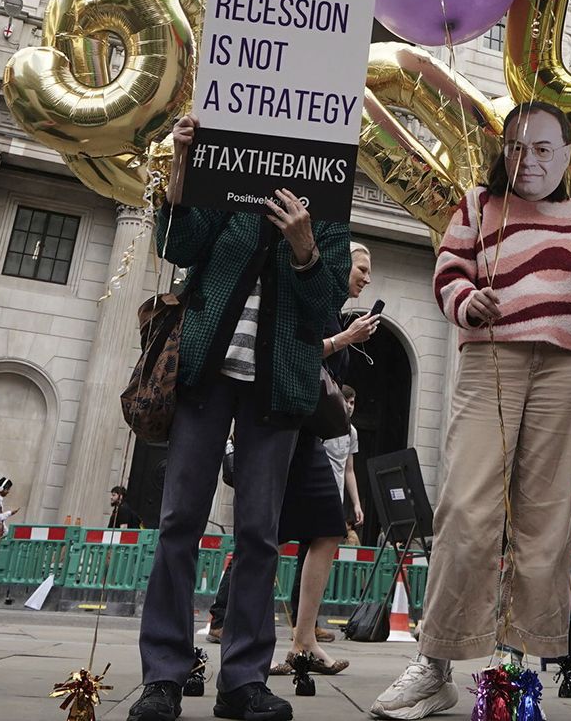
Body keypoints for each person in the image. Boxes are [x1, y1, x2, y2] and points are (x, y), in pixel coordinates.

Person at [371, 102, 571, 720]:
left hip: (565, 369)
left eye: (544, 149)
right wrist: (464, 299)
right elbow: (447, 269)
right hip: (490, 361)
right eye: (517, 147)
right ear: (501, 152)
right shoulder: (478, 205)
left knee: (546, 519)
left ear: (566, 156)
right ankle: (434, 663)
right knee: (467, 508)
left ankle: (514, 666)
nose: (529, 159)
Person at [129, 112, 350, 721]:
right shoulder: (228, 174)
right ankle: (165, 676)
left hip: (276, 385)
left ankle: (244, 679)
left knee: (259, 533)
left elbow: (327, 305)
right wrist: (181, 165)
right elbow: (180, 243)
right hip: (205, 372)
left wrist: (304, 246)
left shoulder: (326, 198)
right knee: (179, 521)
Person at [268, 247, 378, 676]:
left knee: (329, 532)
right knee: (269, 536)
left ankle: (304, 640)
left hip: (311, 433)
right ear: (340, 265)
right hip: (285, 428)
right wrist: (345, 339)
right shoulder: (311, 298)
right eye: (362, 268)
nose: (366, 278)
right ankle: (245, 632)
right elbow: (292, 351)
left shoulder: (334, 310)